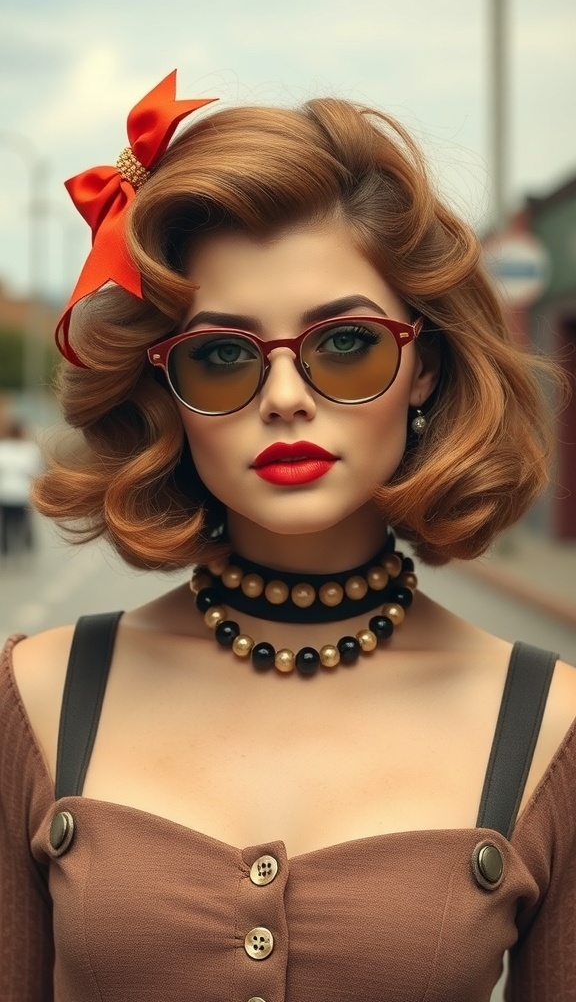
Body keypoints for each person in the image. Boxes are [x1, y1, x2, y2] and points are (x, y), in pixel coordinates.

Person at [0, 70, 574, 1002]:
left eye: (346, 343)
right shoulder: (34, 698)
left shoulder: (553, 726)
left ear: (422, 363)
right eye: (221, 356)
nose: (284, 397)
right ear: (164, 389)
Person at [0, 418, 42, 560]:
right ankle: (25, 545)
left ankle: (6, 549)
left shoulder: (3, 448)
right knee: (23, 521)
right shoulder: (29, 450)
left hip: (5, 493)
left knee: (6, 522)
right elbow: (34, 474)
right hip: (23, 493)